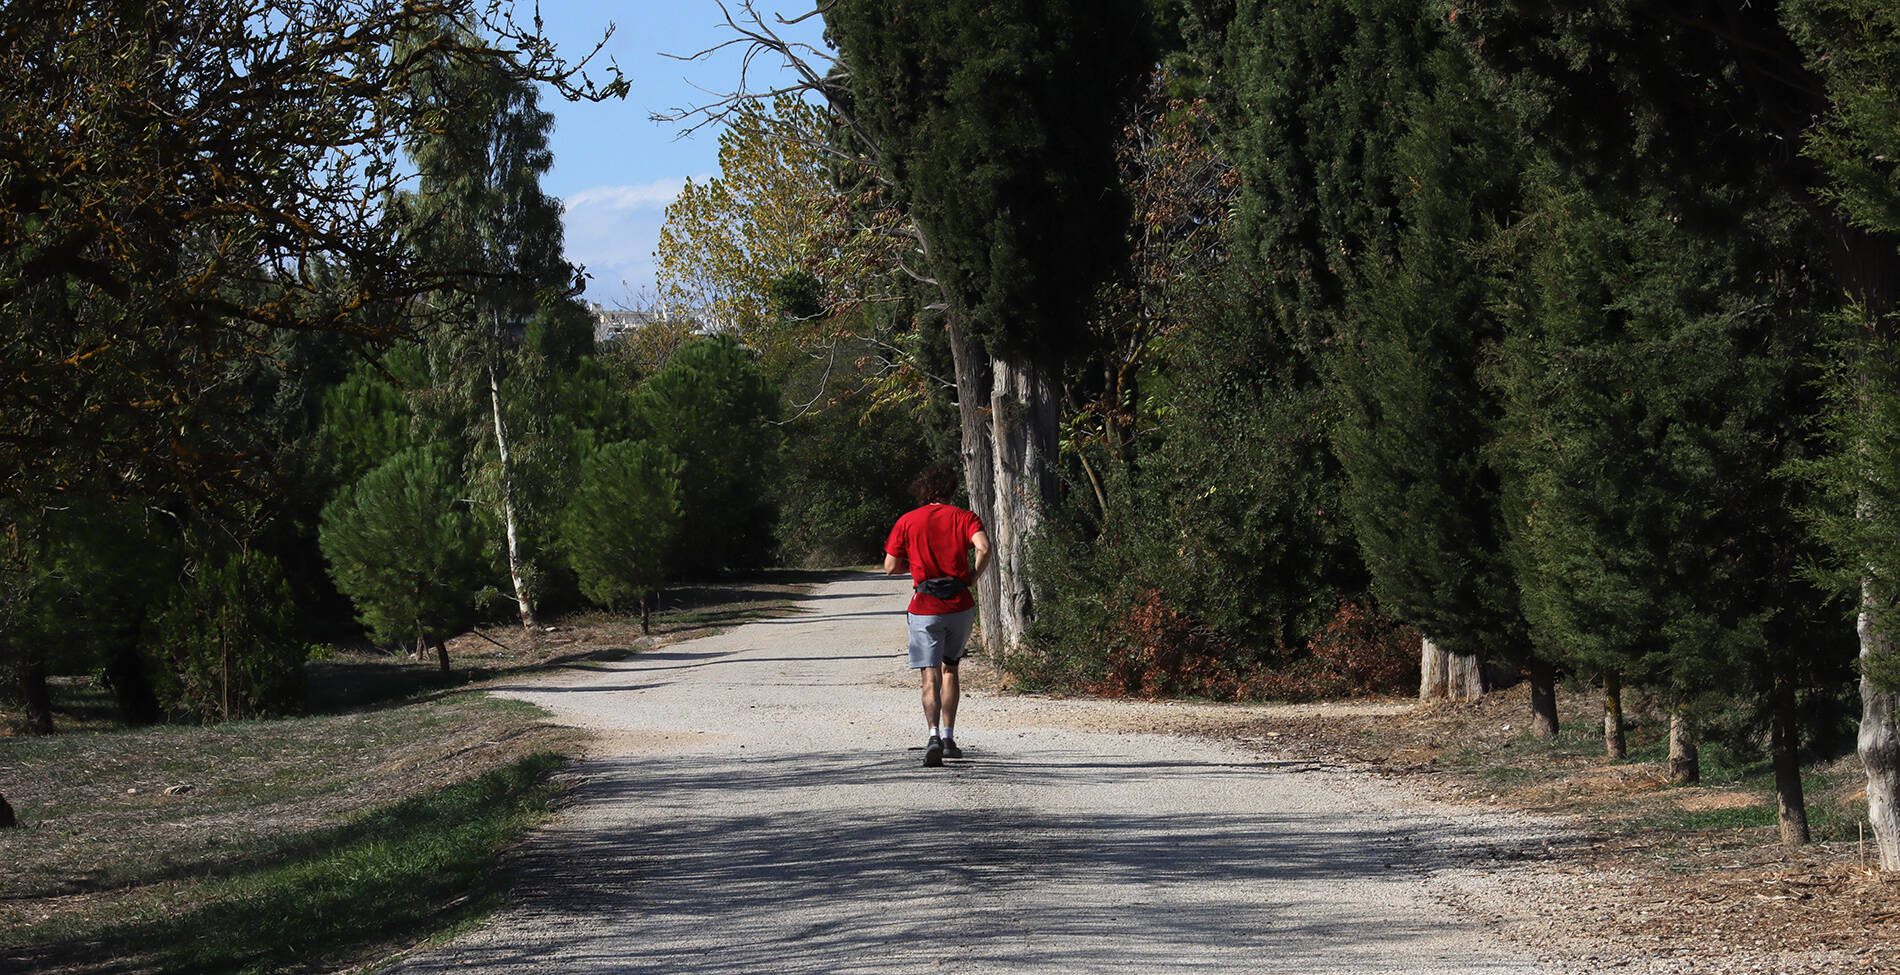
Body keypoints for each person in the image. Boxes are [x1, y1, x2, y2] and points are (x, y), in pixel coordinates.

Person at [883, 463, 991, 767]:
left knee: (929, 674)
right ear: (952, 489)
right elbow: (985, 547)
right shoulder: (965, 517)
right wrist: (972, 576)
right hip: (959, 604)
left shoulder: (907, 521)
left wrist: (915, 568)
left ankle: (931, 736)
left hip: (925, 606)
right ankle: (948, 738)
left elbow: (890, 567)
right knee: (950, 669)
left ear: (923, 490)